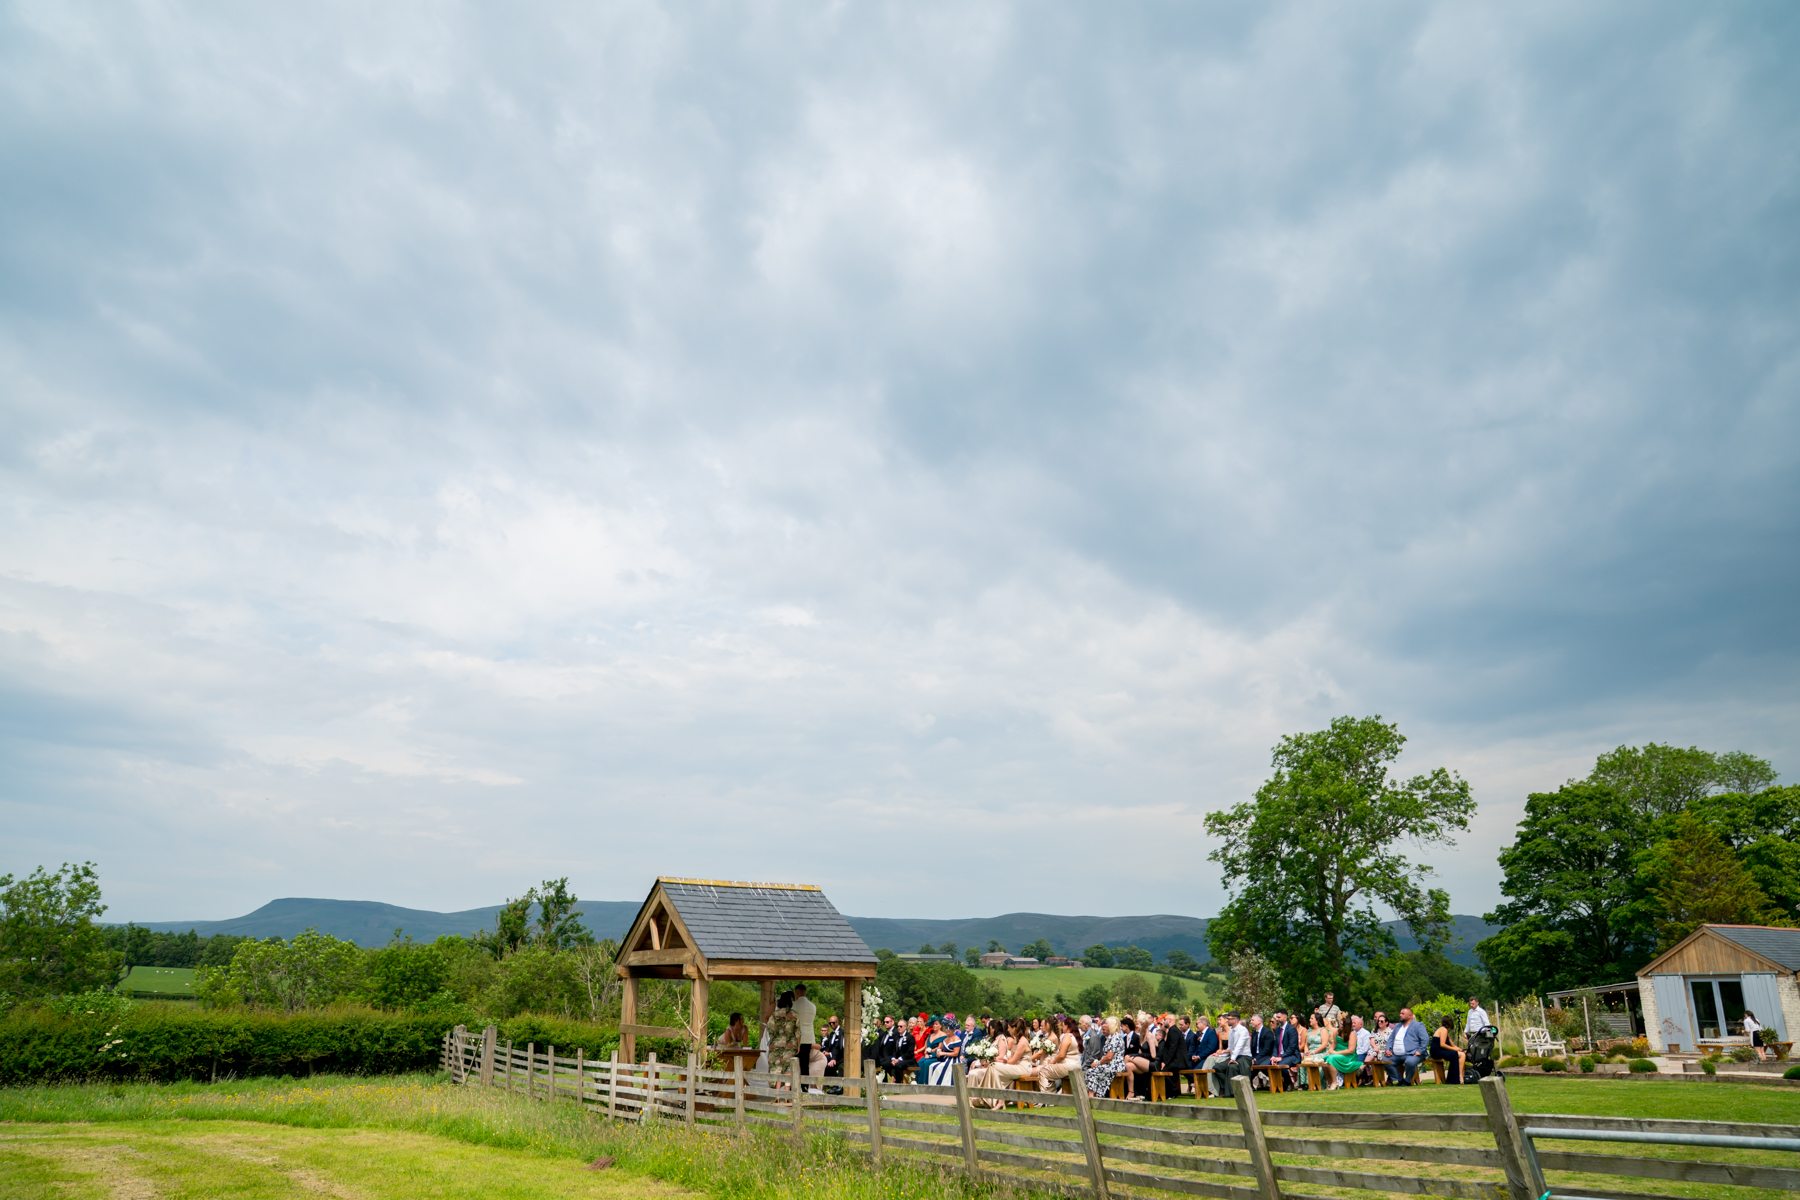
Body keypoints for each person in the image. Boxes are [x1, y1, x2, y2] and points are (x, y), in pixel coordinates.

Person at [1040, 1015, 1084, 1092]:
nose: (1062, 1027)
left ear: (1067, 1026)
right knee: (1049, 1072)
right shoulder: (1077, 1037)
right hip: (1077, 1065)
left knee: (1043, 1071)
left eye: (1063, 1025)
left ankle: (1045, 1097)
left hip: (1067, 1066)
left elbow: (1061, 1055)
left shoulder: (1067, 1036)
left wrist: (1053, 1061)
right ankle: (1051, 1097)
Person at [1386, 1007, 1428, 1085]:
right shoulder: (1397, 1026)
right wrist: (1388, 1049)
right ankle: (1400, 1079)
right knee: (1385, 1061)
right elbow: (1391, 1039)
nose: (1400, 1015)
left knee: (1410, 1062)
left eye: (1403, 1014)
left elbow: (1425, 1039)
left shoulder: (1418, 1025)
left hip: (1412, 1053)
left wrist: (1420, 1050)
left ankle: (1407, 1081)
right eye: (1400, 1013)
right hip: (1396, 1055)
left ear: (1410, 1016)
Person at [1085, 1016, 1125, 1097]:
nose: (1105, 1025)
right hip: (1109, 1064)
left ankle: (1092, 1095)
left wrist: (1098, 1063)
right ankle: (1093, 1094)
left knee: (1091, 1072)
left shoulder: (1116, 1037)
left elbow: (1109, 1057)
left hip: (1115, 1065)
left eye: (1107, 1023)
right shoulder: (1112, 1037)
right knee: (1092, 1071)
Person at [1217, 1012, 1253, 1098]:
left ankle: (1232, 1093)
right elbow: (1231, 1048)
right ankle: (1228, 1088)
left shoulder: (1243, 1030)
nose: (1227, 1020)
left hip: (1244, 1057)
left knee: (1232, 1067)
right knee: (1218, 1068)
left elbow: (1239, 1046)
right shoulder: (1231, 1031)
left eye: (1229, 1019)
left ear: (1235, 1020)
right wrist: (1221, 1054)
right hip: (1234, 1056)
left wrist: (1232, 1059)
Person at [767, 990, 800, 1080]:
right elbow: (797, 1031)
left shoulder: (774, 1014)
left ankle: (777, 1091)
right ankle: (786, 1089)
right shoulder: (795, 1014)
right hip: (791, 1043)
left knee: (777, 1067)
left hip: (777, 1042)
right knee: (788, 1067)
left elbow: (770, 1029)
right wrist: (798, 1045)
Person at [1324, 1015, 1362, 1089]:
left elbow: (1350, 1050)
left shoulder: (1352, 1034)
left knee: (1331, 1058)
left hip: (1349, 1056)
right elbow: (1334, 1043)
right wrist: (1330, 1050)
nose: (1340, 1025)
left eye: (1342, 1024)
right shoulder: (1336, 1031)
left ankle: (1335, 1083)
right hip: (1338, 1054)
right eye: (1340, 1024)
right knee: (1325, 1058)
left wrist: (1335, 1053)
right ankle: (1329, 1082)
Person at [792, 985, 818, 1082]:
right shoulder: (813, 1006)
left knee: (794, 1063)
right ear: (805, 992)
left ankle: (794, 1085)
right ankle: (805, 1087)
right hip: (808, 1038)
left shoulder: (793, 1005)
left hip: (796, 1038)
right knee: (804, 1064)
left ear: (797, 993)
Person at [877, 1015, 915, 1082]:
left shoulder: (910, 1037)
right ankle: (885, 1082)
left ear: (905, 1027)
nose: (899, 1028)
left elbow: (910, 1052)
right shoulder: (897, 1037)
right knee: (883, 1063)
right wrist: (893, 1058)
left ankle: (897, 1083)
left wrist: (899, 1059)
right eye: (898, 1026)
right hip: (897, 1059)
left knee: (897, 1065)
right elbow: (894, 1050)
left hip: (908, 1059)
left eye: (901, 1026)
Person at [1429, 1013, 1464, 1084]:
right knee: (1454, 1054)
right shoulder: (1443, 1030)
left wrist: (1459, 1049)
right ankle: (1455, 1079)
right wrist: (1454, 1050)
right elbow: (1442, 1044)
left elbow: (1452, 1045)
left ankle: (1459, 1076)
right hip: (1436, 1051)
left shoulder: (1446, 1032)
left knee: (1461, 1054)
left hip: (1440, 1050)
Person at [1273, 1011, 1302, 1090]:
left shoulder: (1292, 1029)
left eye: (1279, 1017)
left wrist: (1281, 1057)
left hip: (1292, 1055)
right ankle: (1279, 1084)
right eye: (1276, 1017)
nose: (1277, 1019)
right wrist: (1274, 1056)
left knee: (1281, 1066)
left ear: (1285, 1018)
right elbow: (1276, 1045)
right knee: (1266, 1065)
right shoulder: (1277, 1030)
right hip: (1280, 1056)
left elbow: (1292, 1047)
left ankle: (1289, 1083)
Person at [1300, 1013, 1328, 1087]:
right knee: (1304, 1060)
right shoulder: (1309, 1031)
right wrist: (1306, 1052)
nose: (1310, 1020)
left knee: (1312, 1060)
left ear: (1317, 1020)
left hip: (1321, 1053)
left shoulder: (1323, 1030)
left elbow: (1324, 1045)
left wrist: (1313, 1052)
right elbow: (1306, 1044)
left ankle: (1315, 1083)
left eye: (1312, 1018)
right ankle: (1305, 1083)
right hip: (1310, 1053)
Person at [821, 1014, 846, 1084]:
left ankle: (834, 1084)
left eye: (833, 1023)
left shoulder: (842, 1033)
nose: (831, 1024)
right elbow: (830, 1046)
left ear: (837, 1023)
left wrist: (831, 1056)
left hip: (839, 1058)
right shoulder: (832, 1034)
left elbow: (838, 1047)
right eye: (830, 1023)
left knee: (828, 1066)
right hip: (831, 1056)